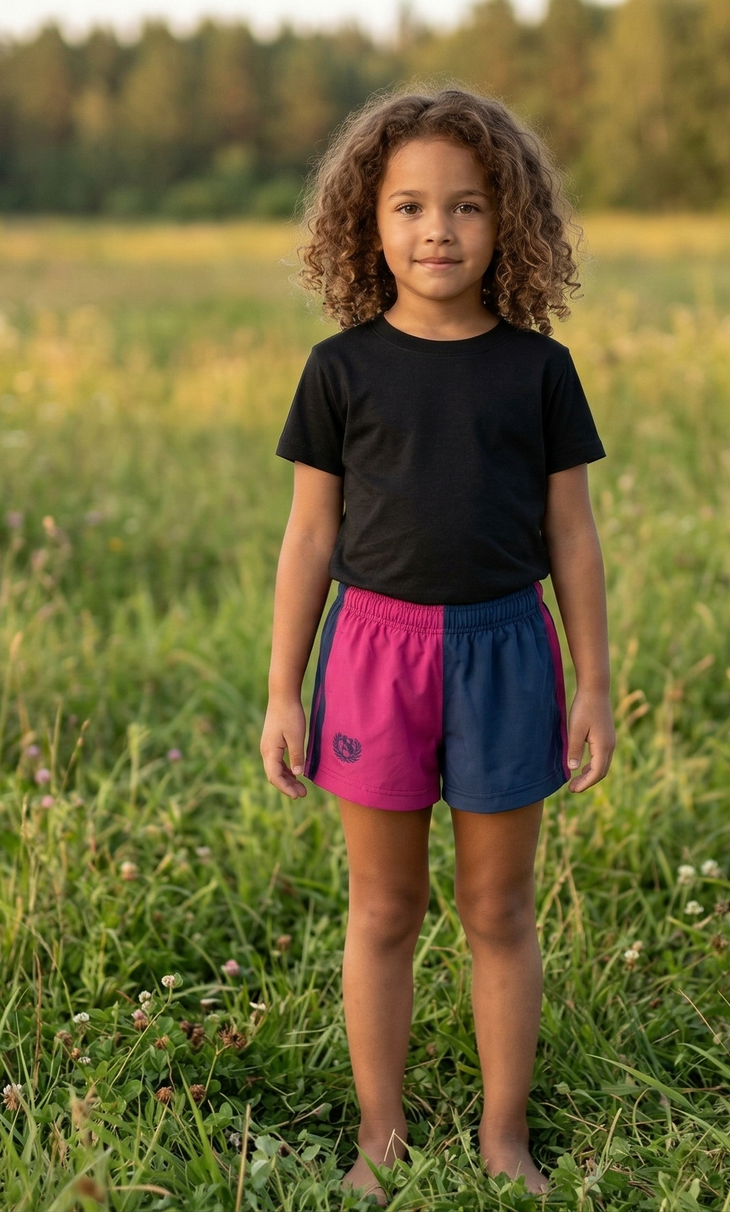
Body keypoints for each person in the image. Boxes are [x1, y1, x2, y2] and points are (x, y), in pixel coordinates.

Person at [260, 87, 614, 1201]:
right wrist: (283, 688)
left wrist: (593, 681)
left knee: (498, 909)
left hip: (508, 653)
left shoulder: (537, 369)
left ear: (506, 220)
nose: (436, 231)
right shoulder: (340, 369)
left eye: (464, 207)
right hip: (372, 654)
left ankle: (503, 1136)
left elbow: (572, 534)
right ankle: (380, 1133)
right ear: (367, 223)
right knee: (383, 908)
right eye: (409, 206)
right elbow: (309, 535)